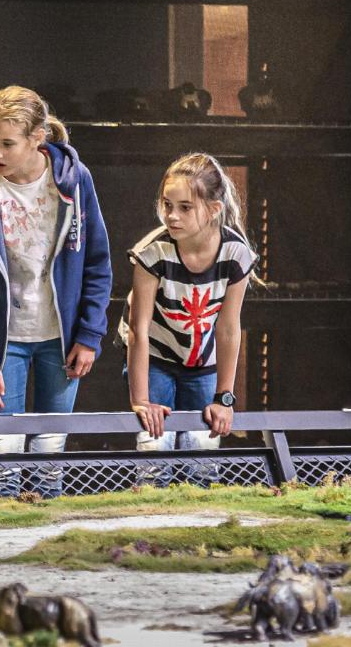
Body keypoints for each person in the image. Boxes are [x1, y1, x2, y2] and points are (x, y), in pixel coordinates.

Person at [0, 85, 112, 498]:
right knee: (3, 455)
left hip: (61, 339)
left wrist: (89, 335)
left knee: (49, 455)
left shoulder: (74, 180)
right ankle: (3, 531)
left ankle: (46, 532)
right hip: (6, 341)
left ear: (37, 138)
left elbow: (97, 263)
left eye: (7, 143)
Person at [121, 152, 257, 487]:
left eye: (185, 207)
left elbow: (228, 329)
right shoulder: (152, 252)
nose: (172, 215)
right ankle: (151, 513)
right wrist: (141, 401)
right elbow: (138, 331)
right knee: (155, 447)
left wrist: (224, 398)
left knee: (203, 453)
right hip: (155, 356)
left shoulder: (236, 254)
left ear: (213, 209)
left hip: (202, 360)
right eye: (167, 205)